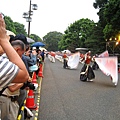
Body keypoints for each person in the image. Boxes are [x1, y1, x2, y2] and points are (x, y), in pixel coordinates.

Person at [0, 40, 26, 120]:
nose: (22, 57)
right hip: (6, 100)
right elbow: (12, 87)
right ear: (17, 50)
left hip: (10, 100)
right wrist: (24, 82)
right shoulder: (6, 62)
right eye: (22, 53)